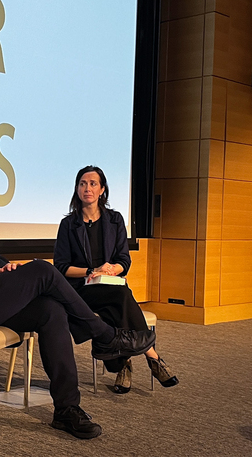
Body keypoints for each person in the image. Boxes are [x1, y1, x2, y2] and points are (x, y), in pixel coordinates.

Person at [0, 146, 156, 439]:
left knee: (51, 311)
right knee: (43, 269)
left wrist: (4, 267)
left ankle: (66, 409)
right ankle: (105, 336)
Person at [53, 165, 179, 393]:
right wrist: (91, 271)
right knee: (120, 297)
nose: (87, 188)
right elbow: (61, 267)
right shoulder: (68, 225)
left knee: (115, 306)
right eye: (82, 184)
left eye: (92, 184)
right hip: (82, 288)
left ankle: (123, 365)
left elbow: (124, 260)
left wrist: (111, 270)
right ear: (77, 189)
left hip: (110, 285)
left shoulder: (115, 220)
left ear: (102, 190)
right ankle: (152, 355)